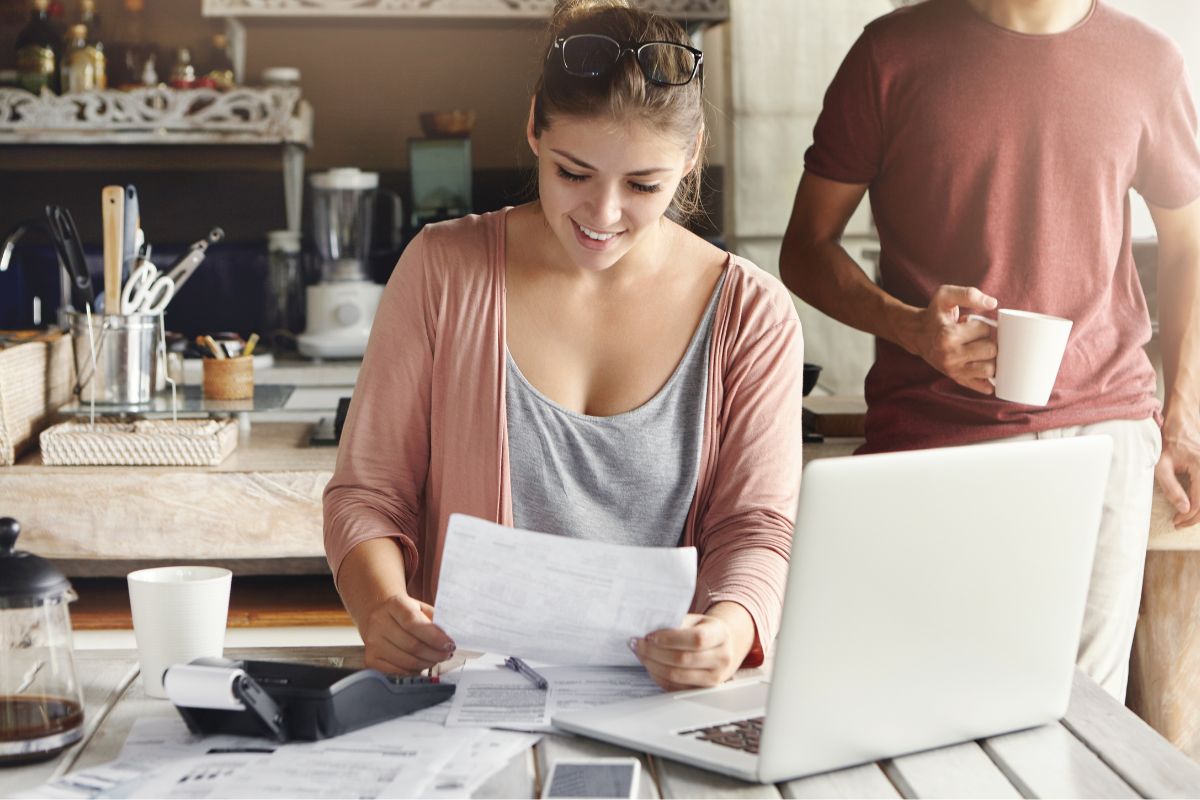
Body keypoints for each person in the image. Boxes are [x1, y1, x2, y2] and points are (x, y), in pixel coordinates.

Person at [324, 0, 805, 691]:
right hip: (463, 700)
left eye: (644, 185)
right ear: (532, 130)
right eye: (573, 174)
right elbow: (368, 495)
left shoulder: (752, 315)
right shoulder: (442, 270)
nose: (602, 216)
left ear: (692, 155)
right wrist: (381, 608)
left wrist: (730, 630)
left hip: (662, 707)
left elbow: (756, 527)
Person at [780, 0, 1200, 701]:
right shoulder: (890, 54)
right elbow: (805, 249)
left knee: (1079, 719)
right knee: (927, 709)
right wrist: (912, 326)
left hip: (1104, 430)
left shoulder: (1147, 61)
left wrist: (1183, 417)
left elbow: (1189, 247)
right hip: (931, 436)